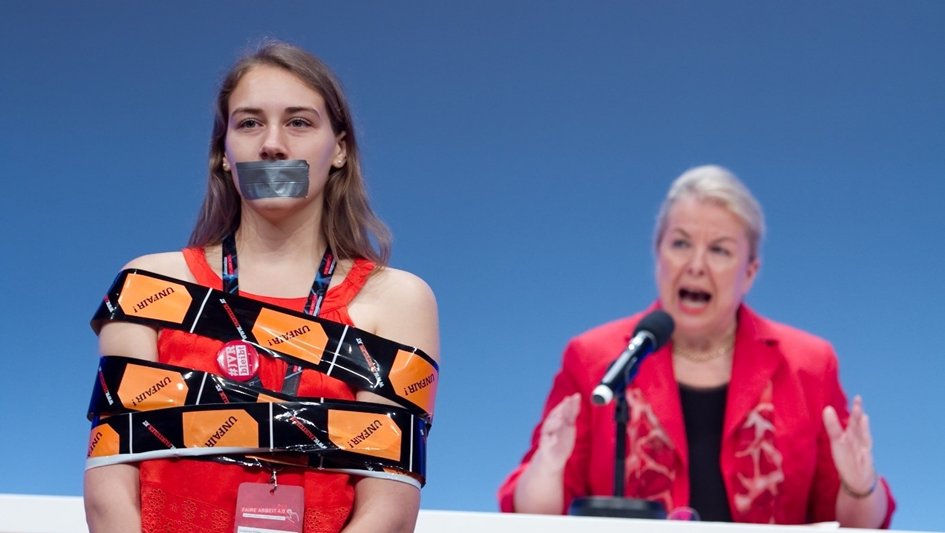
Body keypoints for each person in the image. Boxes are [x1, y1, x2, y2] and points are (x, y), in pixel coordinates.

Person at [84, 41, 439, 533]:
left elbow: (389, 507)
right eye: (249, 123)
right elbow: (110, 488)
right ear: (223, 154)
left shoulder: (397, 299)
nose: (272, 144)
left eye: (299, 122)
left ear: (338, 149)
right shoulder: (149, 285)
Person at [498, 165, 894, 527]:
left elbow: (859, 527)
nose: (696, 265)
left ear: (750, 272)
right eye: (681, 244)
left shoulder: (808, 363)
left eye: (719, 250)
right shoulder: (596, 358)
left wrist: (860, 485)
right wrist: (548, 468)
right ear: (658, 254)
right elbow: (529, 516)